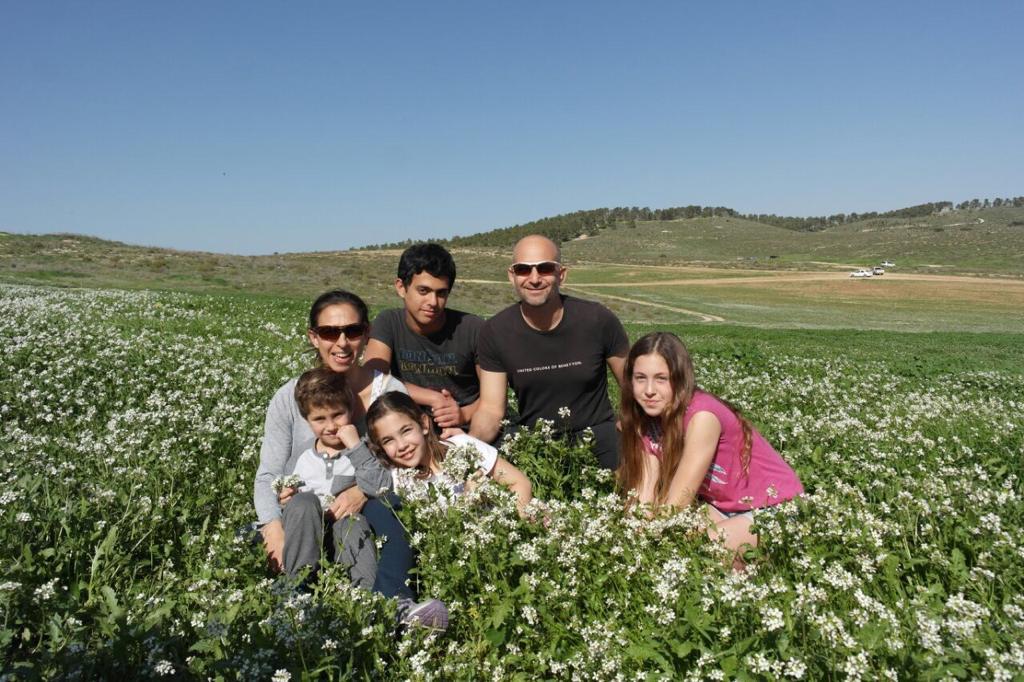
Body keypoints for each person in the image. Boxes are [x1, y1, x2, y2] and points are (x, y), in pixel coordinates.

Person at [253, 289, 447, 629]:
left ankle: (390, 605)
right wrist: (273, 528)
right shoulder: (289, 397)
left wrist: (360, 490)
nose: (341, 343)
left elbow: (404, 458)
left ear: (366, 334)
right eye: (329, 332)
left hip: (362, 512)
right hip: (301, 512)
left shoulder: (388, 392)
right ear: (314, 337)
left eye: (352, 332)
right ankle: (298, 606)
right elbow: (268, 472)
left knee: (389, 507)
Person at [617, 332, 804, 569]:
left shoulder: (702, 416)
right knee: (683, 551)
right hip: (722, 510)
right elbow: (643, 501)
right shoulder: (644, 423)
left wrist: (646, 548)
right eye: (640, 378)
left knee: (700, 554)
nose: (649, 390)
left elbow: (678, 501)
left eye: (662, 378)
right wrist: (629, 541)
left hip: (775, 509)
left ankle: (764, 564)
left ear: (680, 379)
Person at [472, 235, 630, 468]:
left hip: (599, 436)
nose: (534, 279)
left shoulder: (597, 319)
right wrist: (467, 446)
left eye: (545, 268)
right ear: (512, 276)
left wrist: (634, 424)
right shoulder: (495, 331)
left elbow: (632, 384)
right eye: (523, 270)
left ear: (561, 274)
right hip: (537, 443)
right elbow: (491, 410)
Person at [272, 367, 378, 587]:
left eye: (337, 415)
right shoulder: (301, 455)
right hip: (307, 534)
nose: (330, 426)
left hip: (342, 529)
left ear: (351, 410)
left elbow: (379, 483)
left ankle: (367, 596)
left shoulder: (363, 449)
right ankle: (298, 584)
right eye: (319, 419)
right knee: (303, 502)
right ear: (307, 420)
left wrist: (355, 446)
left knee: (354, 523)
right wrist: (284, 498)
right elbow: (285, 494)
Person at [363, 243, 485, 433]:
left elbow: (494, 398)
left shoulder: (472, 327)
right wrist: (432, 397)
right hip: (410, 431)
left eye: (441, 293)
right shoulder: (388, 322)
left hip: (468, 427)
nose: (433, 302)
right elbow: (373, 379)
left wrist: (463, 414)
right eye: (423, 291)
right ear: (401, 287)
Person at [366, 391, 533, 515]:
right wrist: (467, 500)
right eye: (388, 441)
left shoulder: (461, 446)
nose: (401, 445)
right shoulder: (398, 479)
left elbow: (519, 482)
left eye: (406, 431)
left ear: (424, 424)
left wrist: (519, 523)